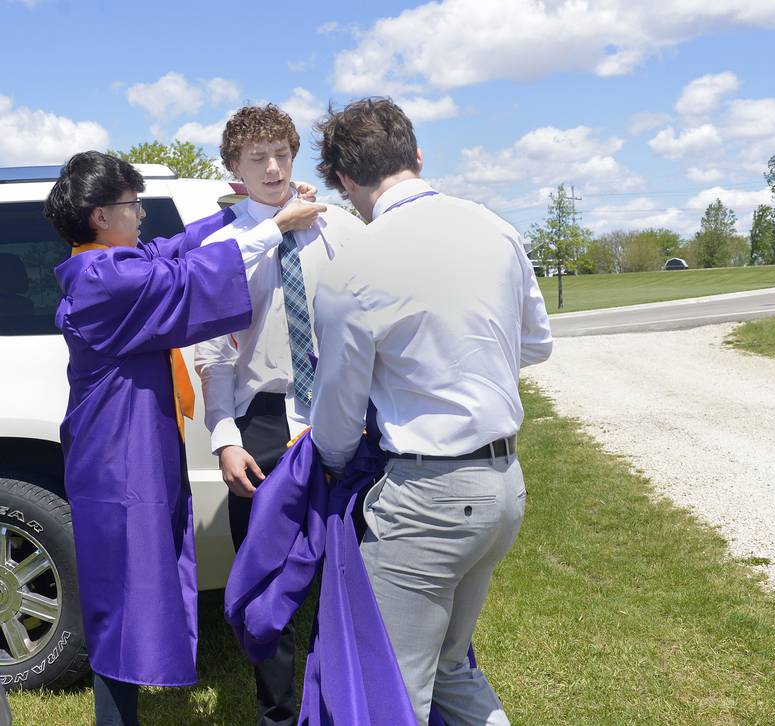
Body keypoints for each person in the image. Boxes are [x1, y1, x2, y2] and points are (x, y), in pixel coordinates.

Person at [46, 150, 323, 726]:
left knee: (134, 588)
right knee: (119, 596)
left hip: (133, 452)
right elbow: (186, 275)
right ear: (101, 215)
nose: (142, 214)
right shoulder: (101, 279)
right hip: (118, 463)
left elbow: (175, 247)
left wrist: (243, 208)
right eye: (133, 204)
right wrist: (273, 227)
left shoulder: (111, 262)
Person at [310, 98, 553, 726]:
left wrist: (333, 465)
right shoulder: (496, 229)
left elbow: (336, 414)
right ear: (417, 156)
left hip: (429, 495)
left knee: (393, 687)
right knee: (449, 668)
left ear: (341, 180)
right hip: (504, 486)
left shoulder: (354, 265)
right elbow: (536, 345)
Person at [194, 104, 363, 726]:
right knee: (269, 586)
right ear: (233, 168)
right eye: (256, 157)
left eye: (282, 155)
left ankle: (344, 700)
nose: (272, 168)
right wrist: (223, 437)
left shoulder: (335, 230)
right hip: (263, 420)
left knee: (348, 571)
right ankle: (279, 714)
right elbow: (212, 357)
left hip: (338, 410)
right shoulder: (222, 246)